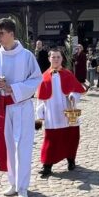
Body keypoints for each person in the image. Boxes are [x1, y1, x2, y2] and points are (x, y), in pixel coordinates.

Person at [0, 18, 42, 197]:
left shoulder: (26, 56)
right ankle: (13, 183)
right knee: (9, 145)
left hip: (22, 105)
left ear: (11, 33)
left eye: (1, 33)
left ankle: (23, 187)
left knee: (23, 146)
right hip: (5, 107)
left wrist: (13, 89)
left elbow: (36, 80)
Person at [36, 46, 87, 177]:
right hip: (52, 114)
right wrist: (39, 116)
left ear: (62, 58)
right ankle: (47, 166)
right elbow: (41, 99)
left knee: (70, 138)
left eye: (58, 57)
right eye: (53, 57)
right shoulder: (44, 77)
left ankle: (71, 160)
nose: (56, 59)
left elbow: (77, 92)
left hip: (67, 113)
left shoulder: (68, 74)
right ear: (49, 58)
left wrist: (72, 96)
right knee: (50, 140)